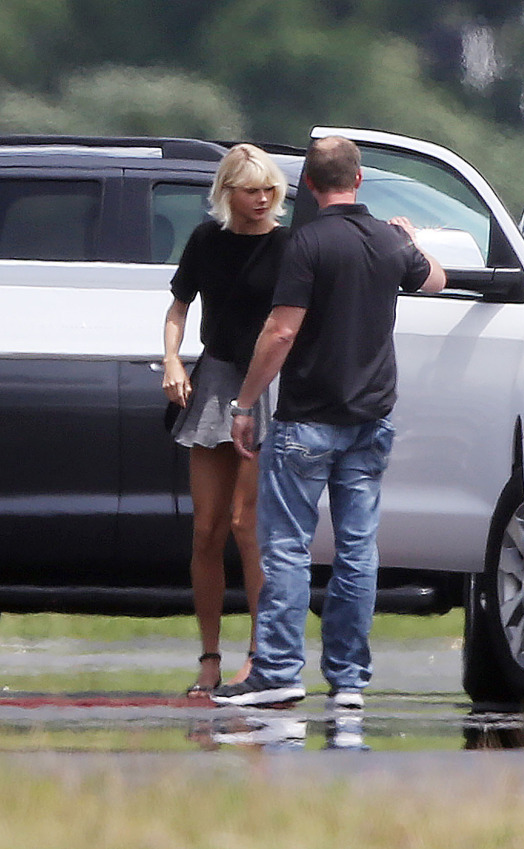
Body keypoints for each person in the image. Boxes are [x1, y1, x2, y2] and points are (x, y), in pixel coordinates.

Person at [211, 135, 446, 709]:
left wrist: (244, 404)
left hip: (307, 420)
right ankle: (347, 681)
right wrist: (412, 240)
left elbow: (282, 330)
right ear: (359, 180)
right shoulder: (389, 243)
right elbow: (435, 279)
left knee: (287, 547)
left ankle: (279, 671)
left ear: (308, 187)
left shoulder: (307, 243)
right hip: (370, 420)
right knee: (358, 551)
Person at [161, 143, 291, 697]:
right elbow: (178, 306)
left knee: (247, 527)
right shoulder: (205, 241)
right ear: (227, 192)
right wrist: (171, 359)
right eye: (250, 190)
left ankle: (261, 656)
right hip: (213, 380)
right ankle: (210, 656)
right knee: (206, 529)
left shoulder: (290, 246)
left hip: (264, 385)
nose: (260, 200)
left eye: (269, 190)